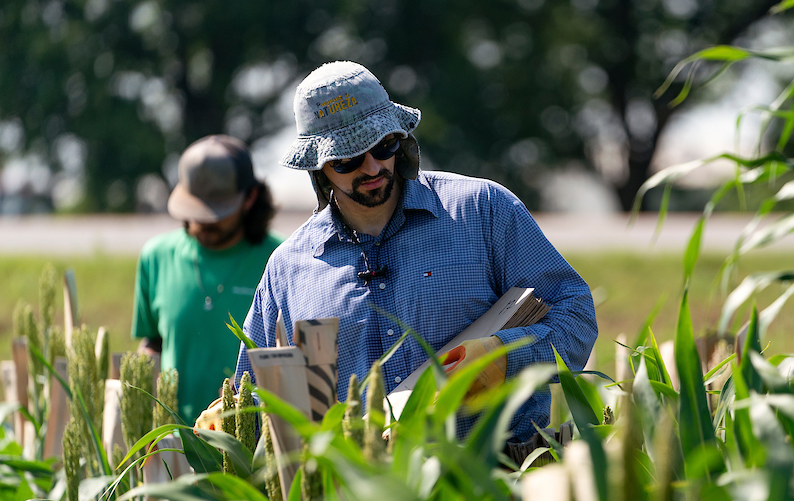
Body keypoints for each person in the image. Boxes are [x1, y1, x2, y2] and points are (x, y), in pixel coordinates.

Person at [232, 61, 596, 441]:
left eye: (383, 145)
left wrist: (505, 358)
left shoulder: (483, 210)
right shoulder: (287, 269)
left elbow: (577, 315)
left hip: (498, 484)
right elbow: (255, 397)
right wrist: (227, 422)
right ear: (319, 167)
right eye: (349, 159)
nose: (372, 166)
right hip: (367, 497)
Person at [133, 135, 283, 427]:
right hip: (173, 444)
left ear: (250, 198)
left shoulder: (280, 260)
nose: (203, 221)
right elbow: (153, 342)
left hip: (252, 443)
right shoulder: (156, 256)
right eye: (196, 209)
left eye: (217, 211)